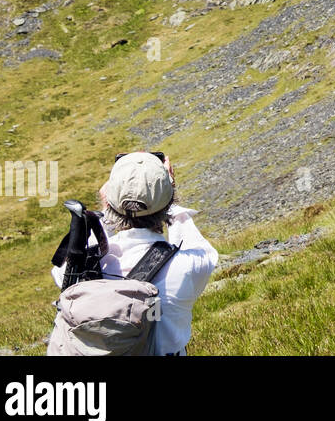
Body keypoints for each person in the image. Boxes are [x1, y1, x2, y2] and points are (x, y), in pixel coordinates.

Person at [51, 151, 218, 356]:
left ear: (109, 201)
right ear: (169, 200)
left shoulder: (83, 267)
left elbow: (59, 272)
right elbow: (203, 250)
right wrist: (170, 194)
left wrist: (104, 215)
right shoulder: (188, 267)